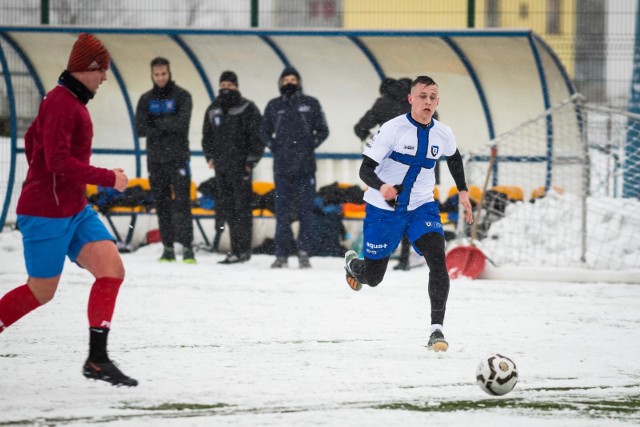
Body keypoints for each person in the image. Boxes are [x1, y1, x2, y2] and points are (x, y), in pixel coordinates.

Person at [0, 33, 138, 386]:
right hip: (47, 213)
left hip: (73, 208)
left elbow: (34, 143)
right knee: (40, 292)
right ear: (87, 69)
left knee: (111, 269)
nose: (105, 77)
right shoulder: (62, 104)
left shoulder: (65, 101)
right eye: (102, 70)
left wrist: (55, 180)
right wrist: (107, 178)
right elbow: (58, 160)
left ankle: (97, 359)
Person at [343, 76, 473, 352]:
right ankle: (355, 266)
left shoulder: (443, 132)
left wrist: (462, 190)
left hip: (421, 206)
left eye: (433, 97)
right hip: (384, 208)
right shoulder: (392, 129)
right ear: (411, 99)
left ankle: (436, 330)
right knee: (374, 278)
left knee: (437, 259)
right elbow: (365, 169)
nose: (428, 101)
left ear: (438, 101)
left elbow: (454, 157)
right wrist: (382, 186)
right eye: (422, 96)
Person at [260, 66, 329, 269]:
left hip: (306, 168)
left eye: (293, 79)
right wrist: (275, 147)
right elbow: (263, 131)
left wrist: (309, 146)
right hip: (282, 169)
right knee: (281, 213)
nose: (290, 83)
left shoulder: (311, 103)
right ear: (281, 83)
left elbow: (323, 130)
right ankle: (281, 254)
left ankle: (304, 252)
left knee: (305, 212)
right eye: (286, 80)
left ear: (299, 82)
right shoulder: (274, 105)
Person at [136, 57, 195, 263]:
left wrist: (156, 125)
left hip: (178, 159)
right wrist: (165, 125)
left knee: (182, 204)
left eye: (164, 74)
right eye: (157, 74)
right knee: (161, 204)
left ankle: (188, 249)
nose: (160, 78)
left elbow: (181, 124)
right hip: (155, 160)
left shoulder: (182, 96)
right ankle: (168, 248)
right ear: (152, 75)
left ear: (169, 73)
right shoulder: (145, 99)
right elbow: (141, 129)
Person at [202, 71, 264, 264]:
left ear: (236, 86)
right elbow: (207, 136)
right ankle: (235, 249)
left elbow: (258, 136)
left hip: (241, 168)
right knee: (227, 209)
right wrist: (210, 157)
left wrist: (250, 161)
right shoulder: (213, 109)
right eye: (223, 85)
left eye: (230, 85)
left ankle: (244, 250)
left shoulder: (247, 108)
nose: (226, 89)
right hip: (221, 168)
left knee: (242, 209)